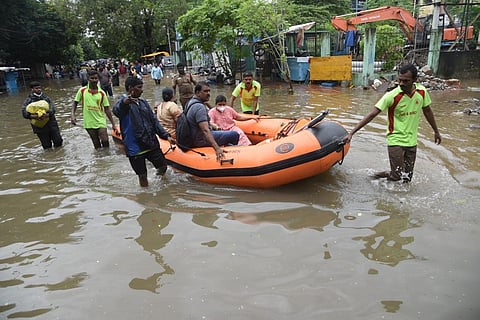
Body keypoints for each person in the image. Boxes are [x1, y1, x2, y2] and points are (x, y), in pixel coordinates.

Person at [343, 64, 441, 183]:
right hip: (395, 139)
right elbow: (372, 114)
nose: (401, 83)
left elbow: (427, 111)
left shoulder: (422, 92)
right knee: (396, 176)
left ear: (414, 80)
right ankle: (375, 178)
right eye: (400, 80)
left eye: (406, 81)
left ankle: (400, 198)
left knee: (407, 178)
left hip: (412, 140)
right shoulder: (392, 96)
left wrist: (436, 131)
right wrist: (351, 133)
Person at [113, 77, 175, 187]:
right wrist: (124, 103)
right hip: (135, 147)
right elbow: (117, 110)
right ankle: (145, 197)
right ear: (130, 88)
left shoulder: (143, 103)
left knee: (163, 167)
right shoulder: (123, 103)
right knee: (142, 176)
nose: (142, 90)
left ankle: (159, 183)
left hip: (150, 142)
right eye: (139, 87)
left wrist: (165, 136)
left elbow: (154, 121)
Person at [179, 82, 239, 161]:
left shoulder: (190, 103)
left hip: (193, 136)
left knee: (221, 132)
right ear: (198, 93)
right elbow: (205, 130)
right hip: (200, 139)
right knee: (234, 135)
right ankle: (233, 156)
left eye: (209, 91)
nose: (208, 94)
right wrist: (217, 148)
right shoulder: (199, 107)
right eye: (205, 91)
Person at [71, 70, 117, 149]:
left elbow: (107, 109)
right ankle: (99, 160)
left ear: (98, 79)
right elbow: (75, 103)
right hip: (89, 122)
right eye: (92, 78)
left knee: (105, 140)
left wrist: (113, 124)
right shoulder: (82, 91)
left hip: (100, 120)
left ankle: (106, 157)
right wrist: (73, 115)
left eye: (96, 78)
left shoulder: (102, 93)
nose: (94, 80)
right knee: (96, 144)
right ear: (88, 78)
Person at [21, 81, 63, 150]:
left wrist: (47, 114)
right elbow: (24, 113)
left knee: (58, 141)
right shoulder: (28, 101)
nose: (39, 89)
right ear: (32, 89)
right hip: (39, 127)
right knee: (46, 146)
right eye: (36, 88)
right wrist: (35, 116)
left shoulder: (46, 98)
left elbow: (53, 109)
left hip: (51, 123)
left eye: (39, 88)